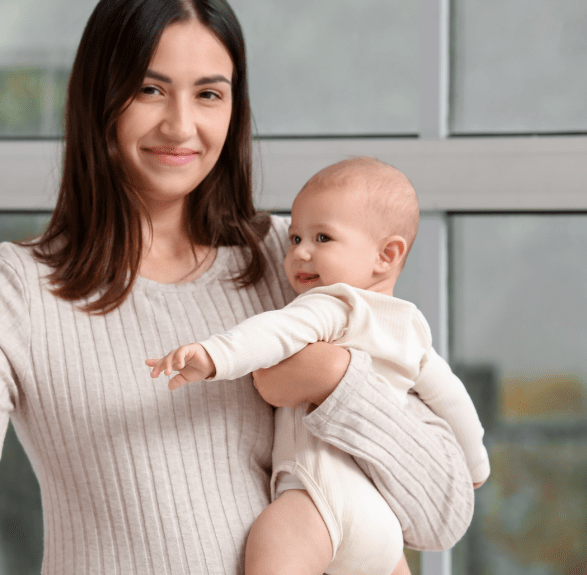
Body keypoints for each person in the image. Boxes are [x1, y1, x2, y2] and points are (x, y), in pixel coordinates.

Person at [0, 0, 476, 573]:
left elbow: (444, 514)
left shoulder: (292, 263)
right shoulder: (19, 289)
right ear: (102, 99)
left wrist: (337, 378)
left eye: (209, 93)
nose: (182, 126)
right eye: (151, 90)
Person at [148, 157, 490, 574]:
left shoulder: (331, 305)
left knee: (272, 549)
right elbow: (451, 397)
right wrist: (476, 463)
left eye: (322, 238)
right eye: (294, 238)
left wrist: (214, 356)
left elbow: (272, 333)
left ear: (387, 254)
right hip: (383, 522)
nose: (300, 252)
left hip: (315, 502)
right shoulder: (411, 329)